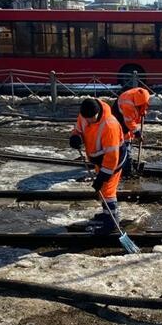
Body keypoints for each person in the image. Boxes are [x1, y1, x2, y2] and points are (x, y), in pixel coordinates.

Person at [69, 97, 124, 230]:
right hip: (99, 159)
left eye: (91, 118)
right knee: (102, 191)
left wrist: (103, 177)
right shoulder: (84, 115)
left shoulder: (109, 125)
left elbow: (112, 158)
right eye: (86, 118)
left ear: (98, 113)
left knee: (107, 190)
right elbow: (79, 129)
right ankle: (107, 214)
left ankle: (112, 220)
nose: (88, 121)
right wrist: (75, 137)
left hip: (114, 160)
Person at [113, 84, 151, 177]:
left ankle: (126, 151)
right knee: (123, 135)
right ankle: (125, 161)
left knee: (129, 133)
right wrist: (137, 133)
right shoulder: (128, 105)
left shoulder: (143, 94)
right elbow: (129, 122)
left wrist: (143, 111)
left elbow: (144, 105)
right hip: (118, 114)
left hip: (126, 111)